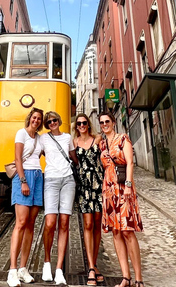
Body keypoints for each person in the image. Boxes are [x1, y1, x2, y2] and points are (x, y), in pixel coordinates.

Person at [99, 111, 144, 287]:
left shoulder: (123, 138)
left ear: (113, 122)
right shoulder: (102, 143)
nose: (104, 124)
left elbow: (130, 163)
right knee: (116, 232)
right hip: (108, 191)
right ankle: (126, 277)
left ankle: (138, 278)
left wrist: (128, 185)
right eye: (101, 122)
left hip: (123, 189)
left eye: (107, 121)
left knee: (127, 231)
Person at [40, 110, 78, 286]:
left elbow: (74, 158)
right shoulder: (43, 138)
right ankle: (47, 262)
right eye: (49, 122)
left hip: (68, 180)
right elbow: (35, 153)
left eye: (54, 120)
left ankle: (59, 269)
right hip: (51, 181)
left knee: (64, 223)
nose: (52, 123)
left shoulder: (67, 137)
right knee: (50, 223)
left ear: (59, 121)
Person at [8, 108, 44, 287]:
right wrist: (23, 181)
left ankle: (23, 268)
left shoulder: (40, 138)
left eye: (39, 119)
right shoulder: (21, 133)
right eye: (34, 117)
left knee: (31, 224)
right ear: (30, 118)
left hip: (38, 176)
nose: (36, 120)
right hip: (24, 176)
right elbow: (17, 159)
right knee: (21, 223)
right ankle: (12, 270)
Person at [73, 113, 105, 287]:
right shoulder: (74, 142)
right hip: (84, 188)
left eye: (84, 123)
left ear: (88, 124)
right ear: (76, 126)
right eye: (79, 124)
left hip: (99, 186)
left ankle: (94, 263)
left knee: (97, 223)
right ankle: (91, 268)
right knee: (87, 224)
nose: (82, 126)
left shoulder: (97, 139)